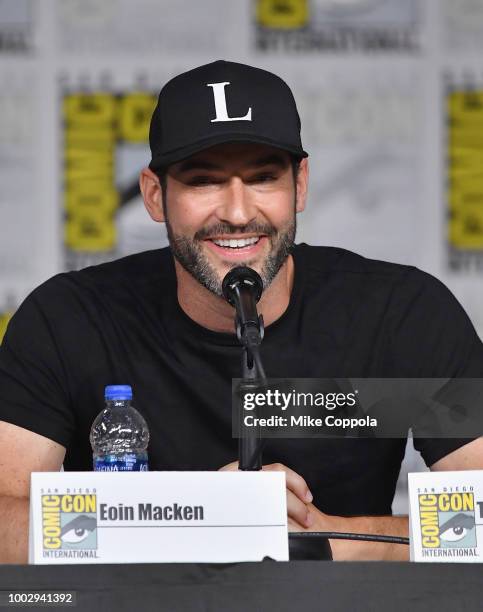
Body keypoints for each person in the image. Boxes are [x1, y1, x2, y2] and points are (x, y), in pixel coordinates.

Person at [0, 60, 482, 563]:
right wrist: (194, 516)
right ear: (154, 194)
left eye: (263, 177)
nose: (235, 212)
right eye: (204, 180)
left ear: (300, 186)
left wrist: (318, 539)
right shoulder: (70, 319)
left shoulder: (401, 313)